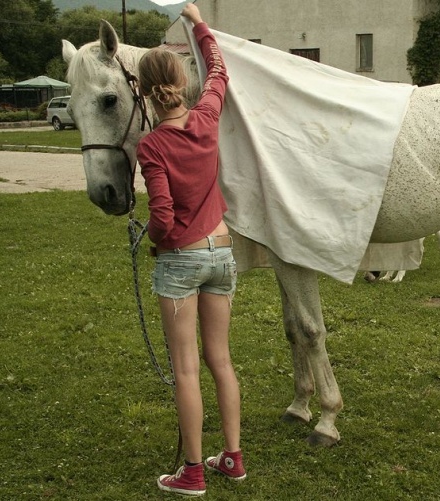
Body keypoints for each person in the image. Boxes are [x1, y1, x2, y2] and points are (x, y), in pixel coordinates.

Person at [136, 4, 245, 496]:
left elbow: (161, 218)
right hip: (222, 252)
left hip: (180, 262)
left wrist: (155, 243)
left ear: (144, 91)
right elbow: (218, 65)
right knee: (220, 360)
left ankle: (195, 472)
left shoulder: (152, 145)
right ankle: (234, 459)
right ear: (182, 82)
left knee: (185, 369)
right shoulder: (206, 113)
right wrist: (197, 21)